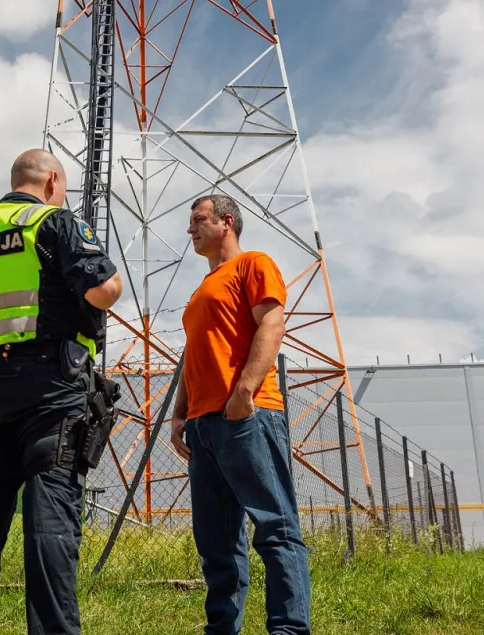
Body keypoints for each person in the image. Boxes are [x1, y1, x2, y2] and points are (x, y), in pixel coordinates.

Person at [0, 148, 124, 635]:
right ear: (53, 179)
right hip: (49, 388)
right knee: (49, 516)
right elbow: (106, 289)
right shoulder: (53, 224)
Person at [169, 194, 312, 635]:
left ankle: (288, 629)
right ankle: (222, 630)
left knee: (274, 526)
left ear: (226, 221)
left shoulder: (254, 264)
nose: (190, 229)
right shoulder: (200, 291)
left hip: (248, 416)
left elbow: (271, 325)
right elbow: (195, 353)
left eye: (198, 220)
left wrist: (245, 390)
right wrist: (179, 415)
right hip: (203, 425)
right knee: (216, 541)